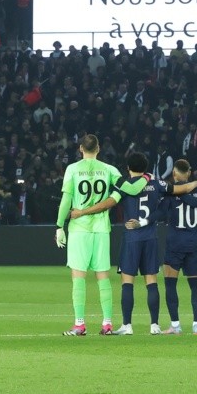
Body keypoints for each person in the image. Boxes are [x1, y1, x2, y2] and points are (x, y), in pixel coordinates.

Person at [55, 133, 145, 336]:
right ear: (98, 149)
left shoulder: (73, 169)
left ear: (80, 148)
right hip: (102, 228)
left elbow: (66, 201)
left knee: (78, 277)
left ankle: (79, 324)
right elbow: (131, 189)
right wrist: (146, 176)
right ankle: (107, 324)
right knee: (103, 276)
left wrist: (60, 225)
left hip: (79, 228)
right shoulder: (109, 170)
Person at [105, 152, 167, 336]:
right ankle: (155, 325)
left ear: (128, 168)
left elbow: (111, 202)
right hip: (150, 237)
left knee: (127, 282)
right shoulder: (155, 184)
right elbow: (164, 209)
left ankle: (127, 325)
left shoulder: (125, 186)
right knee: (151, 281)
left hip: (132, 238)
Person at [160, 159, 197, 334]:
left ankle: (175, 325)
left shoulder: (171, 192)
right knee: (195, 285)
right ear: (189, 173)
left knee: (170, 284)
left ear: (174, 174)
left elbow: (161, 212)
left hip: (175, 242)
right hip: (193, 242)